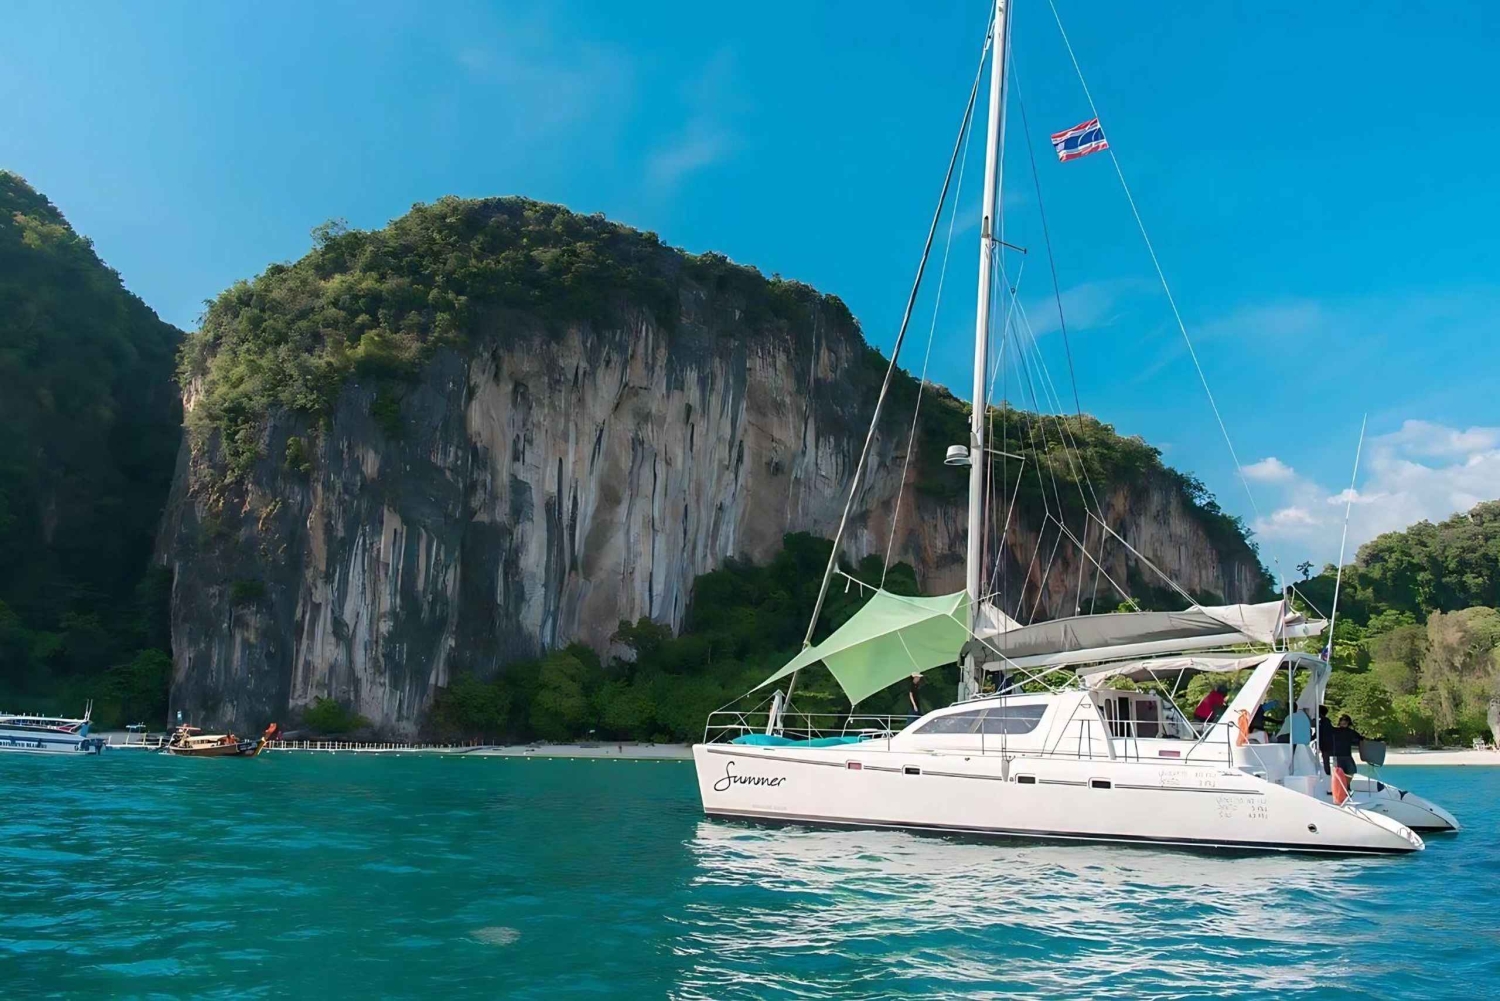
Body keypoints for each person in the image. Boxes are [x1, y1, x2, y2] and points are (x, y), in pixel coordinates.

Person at [1317, 706, 1335, 774]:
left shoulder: (1324, 722)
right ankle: (1327, 773)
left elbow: (1320, 732)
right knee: (1325, 760)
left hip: (1326, 744)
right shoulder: (1325, 721)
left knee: (1326, 760)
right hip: (1326, 744)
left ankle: (1327, 773)